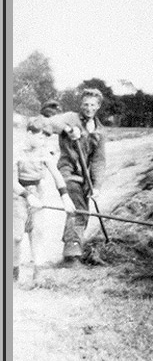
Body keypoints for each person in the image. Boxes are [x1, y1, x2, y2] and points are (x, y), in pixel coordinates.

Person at [13, 118, 76, 284]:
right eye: (41, 137)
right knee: (16, 236)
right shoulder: (15, 151)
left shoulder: (43, 151)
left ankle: (38, 275)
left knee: (37, 233)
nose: (44, 142)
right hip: (16, 195)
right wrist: (28, 196)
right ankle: (12, 272)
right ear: (29, 134)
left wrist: (65, 197)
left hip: (38, 193)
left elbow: (56, 175)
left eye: (46, 138)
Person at [57, 88, 107, 264]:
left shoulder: (100, 131)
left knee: (83, 212)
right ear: (81, 104)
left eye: (92, 104)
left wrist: (97, 186)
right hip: (68, 172)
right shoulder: (71, 118)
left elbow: (99, 161)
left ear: (98, 106)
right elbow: (52, 122)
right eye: (85, 104)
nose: (88, 108)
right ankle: (71, 254)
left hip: (85, 178)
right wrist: (68, 129)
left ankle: (72, 246)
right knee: (78, 208)